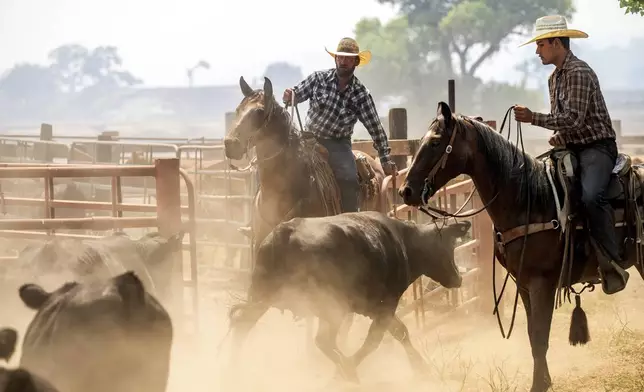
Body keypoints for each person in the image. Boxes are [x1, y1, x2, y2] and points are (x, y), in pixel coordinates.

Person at [513, 15, 629, 295]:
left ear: (556, 43)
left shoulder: (579, 72)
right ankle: (569, 256)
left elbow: (574, 119)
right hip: (574, 147)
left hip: (597, 147)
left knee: (591, 196)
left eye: (541, 44)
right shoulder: (554, 78)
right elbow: (567, 122)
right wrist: (559, 137)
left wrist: (533, 118)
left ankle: (611, 261)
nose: (537, 50)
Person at [238, 37, 397, 237]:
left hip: (337, 144)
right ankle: (257, 221)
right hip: (306, 138)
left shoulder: (361, 94)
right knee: (268, 168)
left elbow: (375, 126)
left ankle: (350, 228)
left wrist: (385, 157)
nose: (343, 61)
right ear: (335, 59)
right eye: (340, 57)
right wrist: (290, 95)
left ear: (356, 62)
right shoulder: (318, 79)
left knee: (348, 178)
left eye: (349, 59)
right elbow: (298, 93)